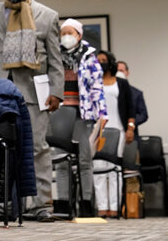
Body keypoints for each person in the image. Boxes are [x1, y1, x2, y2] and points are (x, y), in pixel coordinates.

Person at [0, 0, 64, 222]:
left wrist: (57, 92)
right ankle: (0, 205)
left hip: (33, 93)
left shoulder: (47, 16)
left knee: (37, 148)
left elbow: (56, 61)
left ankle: (41, 206)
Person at [54, 18, 107, 218]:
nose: (66, 36)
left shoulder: (89, 57)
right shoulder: (55, 55)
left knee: (85, 159)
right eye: (63, 32)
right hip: (59, 114)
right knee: (60, 161)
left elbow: (97, 88)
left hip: (82, 115)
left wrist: (102, 114)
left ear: (79, 35)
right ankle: (62, 206)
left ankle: (86, 205)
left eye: (71, 32)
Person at [93, 51, 134, 218]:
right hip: (98, 130)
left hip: (119, 130)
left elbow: (130, 108)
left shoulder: (122, 83)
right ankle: (102, 207)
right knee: (98, 168)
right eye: (98, 61)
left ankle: (115, 207)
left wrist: (130, 128)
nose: (101, 63)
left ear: (111, 62)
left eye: (104, 60)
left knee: (114, 169)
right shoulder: (93, 83)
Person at [117, 61, 148, 139]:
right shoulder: (107, 91)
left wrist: (130, 123)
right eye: (116, 71)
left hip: (130, 134)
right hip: (112, 134)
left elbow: (143, 115)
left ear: (127, 73)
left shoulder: (136, 93)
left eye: (121, 71)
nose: (118, 74)